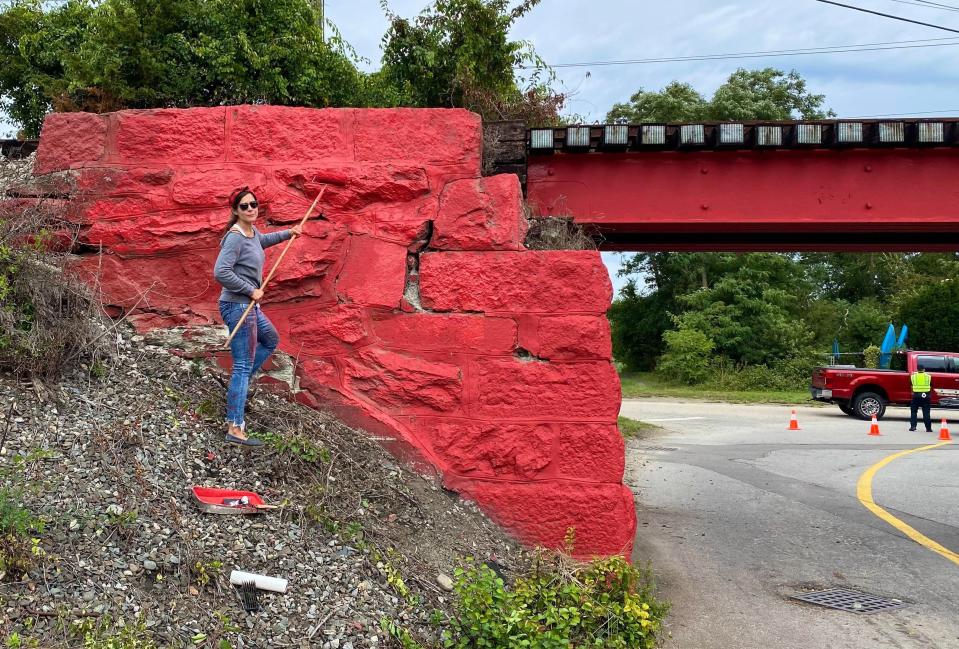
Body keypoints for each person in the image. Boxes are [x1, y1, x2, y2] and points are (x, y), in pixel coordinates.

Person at [213, 187, 302, 446]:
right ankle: (235, 427)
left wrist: (289, 233)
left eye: (254, 204)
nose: (251, 209)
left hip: (249, 307)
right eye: (245, 206)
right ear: (235, 210)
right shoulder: (235, 237)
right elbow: (221, 272)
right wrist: (250, 289)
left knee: (270, 340)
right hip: (238, 306)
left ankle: (238, 388)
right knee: (241, 365)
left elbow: (262, 242)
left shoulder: (251, 234)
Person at [909, 363, 933, 432]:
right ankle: (928, 428)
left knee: (913, 411)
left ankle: (913, 427)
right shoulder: (928, 377)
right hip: (926, 396)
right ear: (924, 369)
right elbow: (931, 385)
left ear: (917, 369)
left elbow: (911, 385)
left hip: (916, 396)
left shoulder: (913, 377)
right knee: (926, 413)